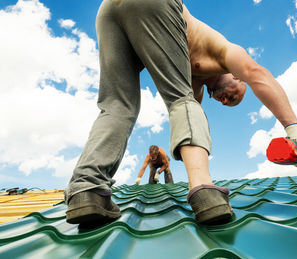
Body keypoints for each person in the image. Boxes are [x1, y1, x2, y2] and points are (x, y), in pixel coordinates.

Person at [65, 0, 232, 227]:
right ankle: (204, 191)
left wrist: (153, 174)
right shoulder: (225, 53)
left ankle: (86, 189)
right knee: (179, 96)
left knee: (116, 105)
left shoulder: (158, 155)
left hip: (107, 9)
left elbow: (154, 167)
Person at [181, 5, 297, 171]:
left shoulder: (195, 89)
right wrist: (296, 131)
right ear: (237, 77)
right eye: (233, 97)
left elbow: (192, 127)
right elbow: (255, 73)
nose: (224, 102)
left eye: (226, 103)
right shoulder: (223, 52)